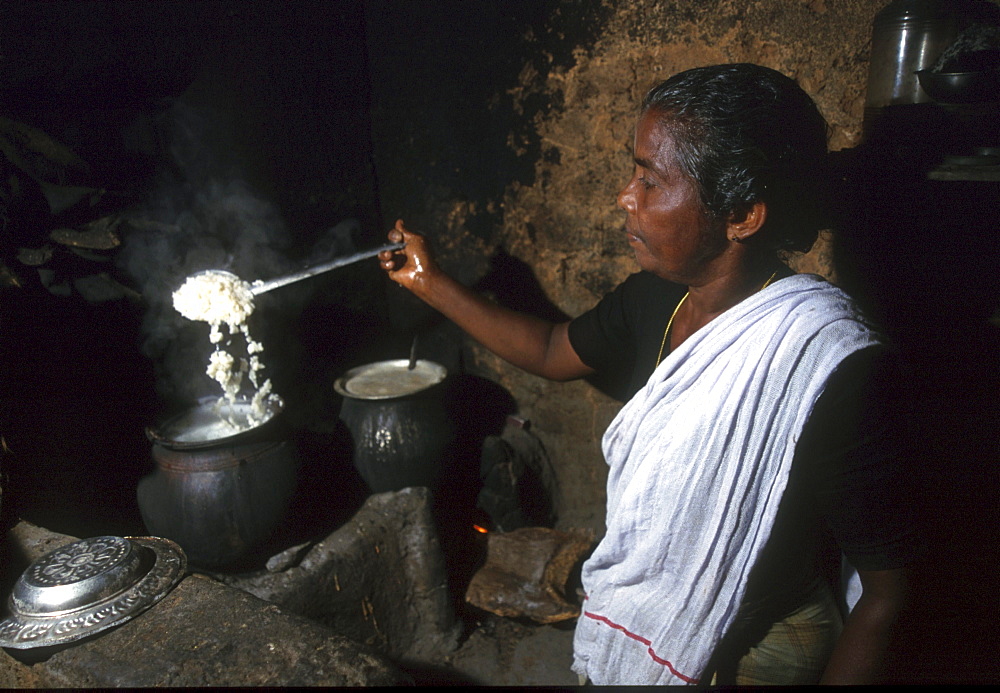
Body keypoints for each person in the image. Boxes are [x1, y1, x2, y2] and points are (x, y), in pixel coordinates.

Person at [379, 63, 917, 686]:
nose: (624, 197)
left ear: (742, 215)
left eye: (650, 180)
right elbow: (554, 348)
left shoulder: (819, 362)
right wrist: (430, 281)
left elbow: (888, 595)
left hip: (764, 643)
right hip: (664, 614)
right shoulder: (656, 299)